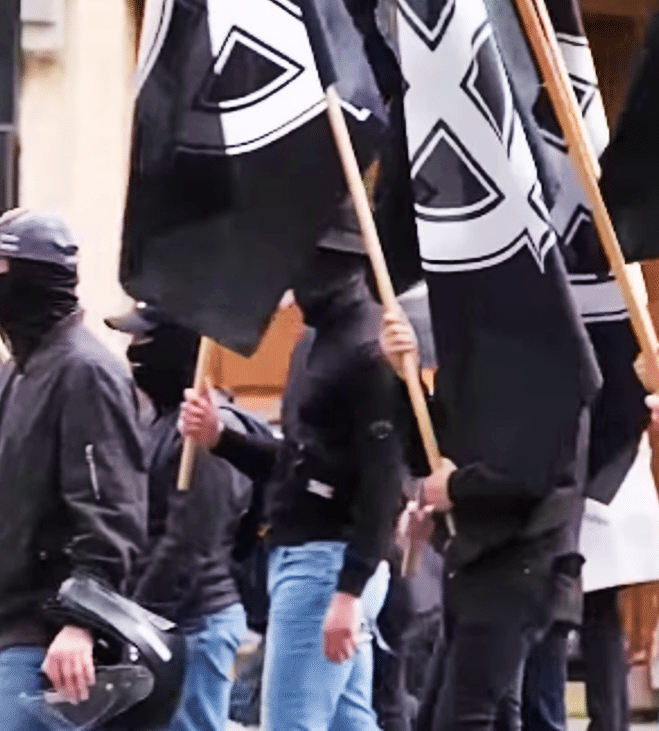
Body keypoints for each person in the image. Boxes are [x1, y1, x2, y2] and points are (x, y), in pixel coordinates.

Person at [0, 209, 148, 731]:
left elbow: (110, 505)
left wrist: (83, 621)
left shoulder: (85, 373)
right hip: (1, 626)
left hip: (47, 633)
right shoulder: (17, 373)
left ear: (32, 278)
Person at [180, 216, 403, 731]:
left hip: (327, 564)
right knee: (348, 721)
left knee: (291, 721)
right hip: (314, 560)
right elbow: (298, 463)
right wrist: (223, 438)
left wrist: (349, 591)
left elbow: (383, 482)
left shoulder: (370, 351)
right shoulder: (313, 342)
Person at [380, 311, 585, 731]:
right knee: (462, 717)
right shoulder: (474, 367)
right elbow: (430, 452)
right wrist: (405, 379)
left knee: (467, 718)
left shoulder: (556, 372)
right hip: (473, 566)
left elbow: (537, 475)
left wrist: (457, 487)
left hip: (523, 565)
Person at [107, 302, 254, 731]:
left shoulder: (206, 435)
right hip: (162, 620)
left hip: (194, 622)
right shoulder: (158, 423)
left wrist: (142, 618)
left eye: (144, 339)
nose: (133, 350)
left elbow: (191, 539)